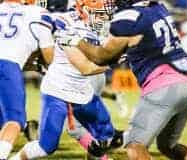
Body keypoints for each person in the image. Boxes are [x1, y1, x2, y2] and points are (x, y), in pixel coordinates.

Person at [60, 0, 187, 159]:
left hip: (163, 85)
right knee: (168, 146)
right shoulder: (158, 8)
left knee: (135, 146)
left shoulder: (129, 17)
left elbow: (101, 57)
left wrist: (75, 41)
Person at [10, 0, 122, 159]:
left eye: (105, 14)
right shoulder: (66, 25)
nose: (103, 19)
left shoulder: (98, 27)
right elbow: (85, 68)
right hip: (58, 90)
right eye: (100, 14)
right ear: (83, 10)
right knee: (46, 147)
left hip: (84, 91)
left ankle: (100, 154)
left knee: (106, 135)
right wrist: (114, 60)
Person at [0, 0, 54, 159]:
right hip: (7, 66)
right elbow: (49, 56)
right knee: (14, 121)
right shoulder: (37, 13)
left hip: (8, 64)